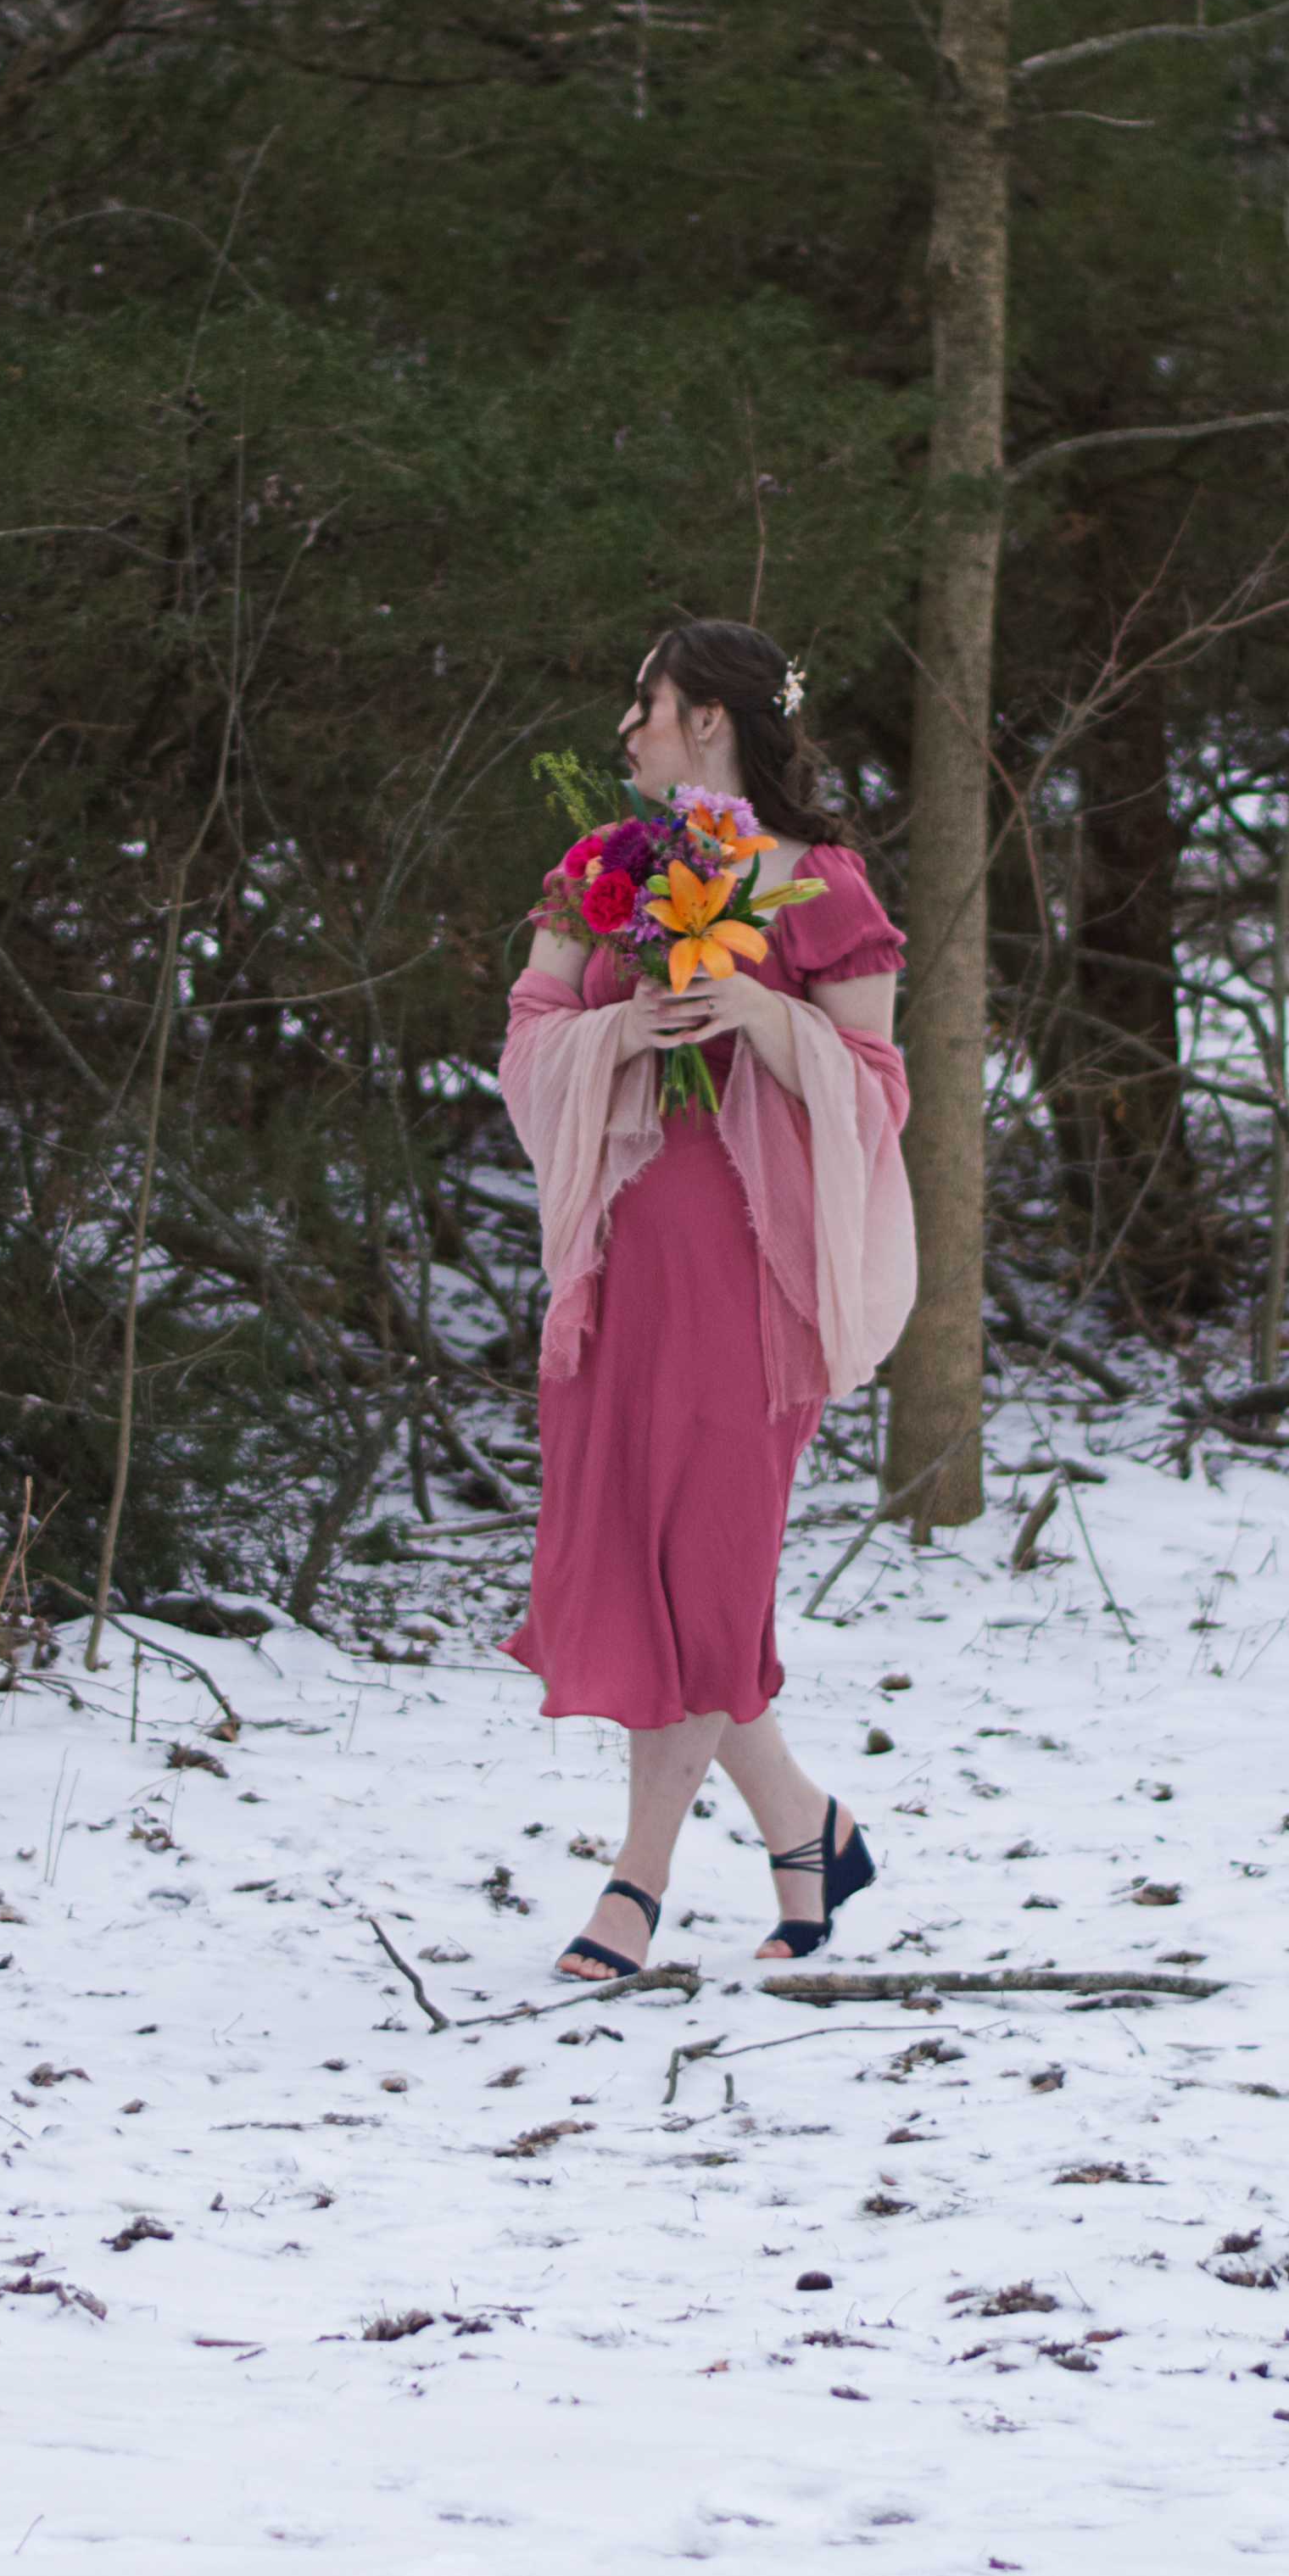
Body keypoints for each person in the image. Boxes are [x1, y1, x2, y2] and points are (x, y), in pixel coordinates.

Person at [495, 620, 921, 1977]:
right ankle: (806, 1831)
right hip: (618, 1276)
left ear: (715, 723)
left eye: (651, 704)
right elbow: (528, 1039)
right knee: (642, 1562)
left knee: (710, 1571)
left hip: (754, 1287)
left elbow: (880, 1088)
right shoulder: (600, 872)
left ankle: (636, 1881)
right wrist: (624, 1029)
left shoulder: (823, 886)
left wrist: (763, 1022)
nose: (629, 729)